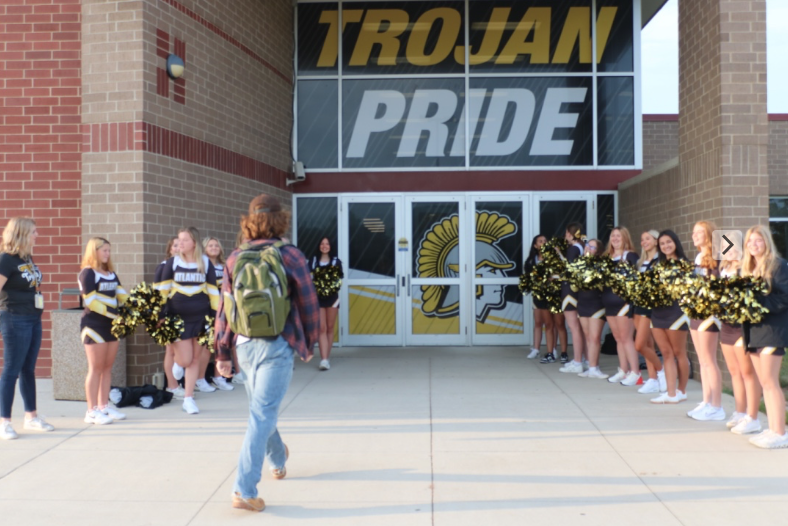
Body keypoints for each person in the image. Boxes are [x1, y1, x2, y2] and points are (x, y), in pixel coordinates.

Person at [214, 194, 319, 511]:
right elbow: (308, 302)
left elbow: (225, 309)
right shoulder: (290, 255)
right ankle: (244, 490)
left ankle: (278, 457)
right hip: (278, 343)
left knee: (261, 412)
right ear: (280, 220)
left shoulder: (234, 258)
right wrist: (308, 343)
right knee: (262, 415)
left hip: (244, 345)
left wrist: (222, 352)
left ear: (249, 222)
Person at [154, 226, 219, 415]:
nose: (180, 243)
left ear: (194, 243)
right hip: (178, 318)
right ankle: (177, 363)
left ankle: (188, 399)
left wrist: (215, 317)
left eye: (184, 240)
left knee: (195, 359)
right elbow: (162, 292)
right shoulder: (172, 263)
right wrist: (159, 315)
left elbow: (213, 292)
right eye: (179, 240)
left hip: (200, 316)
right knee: (185, 359)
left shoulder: (206, 263)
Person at [0, 217, 55, 440]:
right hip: (14, 318)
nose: (37, 235)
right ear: (21, 234)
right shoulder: (5, 259)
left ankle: (31, 417)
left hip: (33, 317)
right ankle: (4, 422)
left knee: (28, 369)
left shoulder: (26, 258)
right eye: (33, 232)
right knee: (12, 370)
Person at [741, 225, 788, 448]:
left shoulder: (778, 265)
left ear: (767, 242)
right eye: (750, 241)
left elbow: (783, 298)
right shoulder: (749, 268)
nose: (753, 245)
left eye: (758, 240)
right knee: (764, 382)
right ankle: (772, 428)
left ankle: (780, 432)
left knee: (770, 382)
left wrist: (757, 303)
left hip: (772, 330)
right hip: (755, 331)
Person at [78, 237, 129, 425]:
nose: (107, 254)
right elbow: (90, 302)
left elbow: (121, 294)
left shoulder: (110, 273)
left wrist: (136, 306)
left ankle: (104, 406)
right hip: (94, 325)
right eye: (104, 250)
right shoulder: (87, 273)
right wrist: (115, 314)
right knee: (95, 368)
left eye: (109, 250)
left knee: (107, 368)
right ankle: (90, 412)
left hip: (111, 326)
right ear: (94, 251)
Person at [718, 241, 762, 435]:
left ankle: (753, 417)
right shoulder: (723, 271)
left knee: (747, 373)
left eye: (732, 248)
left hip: (741, 325)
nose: (729, 252)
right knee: (734, 372)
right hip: (726, 325)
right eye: (724, 248)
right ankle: (740, 411)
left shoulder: (745, 270)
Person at [687, 221, 725, 421]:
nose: (695, 235)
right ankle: (706, 400)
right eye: (694, 232)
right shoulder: (698, 256)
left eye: (700, 232)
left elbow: (719, 284)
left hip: (709, 313)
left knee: (710, 360)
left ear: (709, 234)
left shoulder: (717, 256)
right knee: (702, 361)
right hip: (695, 312)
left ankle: (717, 406)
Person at [649, 230, 691, 404]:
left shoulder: (684, 264)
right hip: (658, 313)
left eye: (669, 242)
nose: (666, 246)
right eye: (662, 244)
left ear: (675, 243)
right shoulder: (657, 266)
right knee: (666, 353)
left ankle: (682, 390)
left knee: (679, 352)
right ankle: (671, 393)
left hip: (677, 312)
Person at [601, 227, 642, 386]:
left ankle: (636, 373)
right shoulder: (606, 257)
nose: (615, 239)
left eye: (619, 236)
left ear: (625, 238)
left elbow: (635, 280)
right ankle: (623, 371)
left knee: (626, 338)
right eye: (613, 236)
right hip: (609, 303)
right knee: (618, 338)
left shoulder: (630, 255)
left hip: (624, 303)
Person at [633, 230, 667, 394]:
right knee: (647, 344)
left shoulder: (660, 260)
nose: (644, 242)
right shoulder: (640, 262)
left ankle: (661, 372)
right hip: (638, 304)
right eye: (642, 239)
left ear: (656, 241)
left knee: (639, 345)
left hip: (650, 306)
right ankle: (653, 379)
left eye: (648, 239)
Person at [547, 223, 585, 366]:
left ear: (571, 233)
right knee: (580, 328)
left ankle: (577, 361)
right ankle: (584, 360)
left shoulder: (573, 249)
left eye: (567, 233)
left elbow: (570, 273)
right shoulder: (582, 247)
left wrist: (556, 277)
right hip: (579, 291)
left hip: (570, 291)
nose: (565, 235)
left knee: (574, 328)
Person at [202, 237, 234, 391]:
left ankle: (218, 377)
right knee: (208, 345)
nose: (214, 248)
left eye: (216, 245)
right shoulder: (201, 265)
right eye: (210, 245)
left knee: (221, 343)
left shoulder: (224, 266)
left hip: (224, 309)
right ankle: (200, 379)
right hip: (208, 309)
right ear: (204, 248)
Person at [572, 239, 607, 377]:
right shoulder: (580, 264)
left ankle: (594, 368)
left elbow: (602, 285)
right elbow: (574, 286)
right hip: (582, 303)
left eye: (592, 246)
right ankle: (591, 367)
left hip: (596, 304)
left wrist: (592, 276)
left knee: (595, 337)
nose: (588, 248)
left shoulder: (602, 264)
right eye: (587, 245)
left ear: (597, 251)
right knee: (587, 337)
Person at [156, 237, 185, 399]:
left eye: (179, 245)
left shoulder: (183, 267)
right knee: (171, 350)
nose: (177, 248)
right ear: (169, 249)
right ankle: (172, 385)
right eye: (174, 246)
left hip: (182, 313)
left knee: (180, 349)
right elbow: (159, 293)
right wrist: (161, 315)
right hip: (168, 314)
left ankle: (177, 383)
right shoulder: (163, 267)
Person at [310, 237, 343, 371]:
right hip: (317, 299)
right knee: (321, 329)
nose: (324, 246)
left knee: (330, 328)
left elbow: (339, 280)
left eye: (327, 244)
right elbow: (308, 278)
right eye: (322, 243)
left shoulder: (336, 262)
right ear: (319, 246)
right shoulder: (313, 261)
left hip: (332, 299)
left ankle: (326, 358)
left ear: (331, 246)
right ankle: (323, 360)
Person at [524, 235, 554, 360]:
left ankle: (550, 351)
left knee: (548, 324)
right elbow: (528, 277)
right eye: (540, 241)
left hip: (549, 295)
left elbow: (555, 276)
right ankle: (536, 349)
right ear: (535, 246)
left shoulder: (552, 259)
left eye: (545, 241)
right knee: (537, 322)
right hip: (537, 294)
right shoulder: (531, 260)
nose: (543, 243)